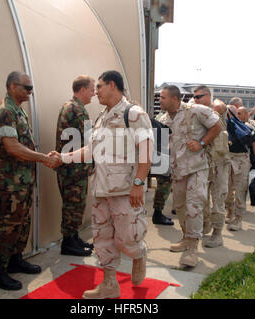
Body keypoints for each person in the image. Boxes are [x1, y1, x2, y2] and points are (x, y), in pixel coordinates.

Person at [52, 70, 154, 299]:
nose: (95, 92)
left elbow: (147, 151)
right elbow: (90, 150)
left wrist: (139, 183)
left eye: (98, 87)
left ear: (112, 85)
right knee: (102, 237)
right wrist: (63, 157)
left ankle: (139, 254)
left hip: (125, 189)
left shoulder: (134, 114)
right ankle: (109, 284)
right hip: (100, 187)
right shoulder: (101, 117)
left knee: (126, 238)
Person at [0, 71, 60, 291]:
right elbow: (12, 147)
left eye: (31, 88)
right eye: (26, 88)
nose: (31, 92)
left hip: (22, 180)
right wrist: (43, 158)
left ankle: (14, 259)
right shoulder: (4, 111)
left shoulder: (17, 110)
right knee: (8, 224)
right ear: (11, 87)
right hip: (9, 182)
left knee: (21, 222)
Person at [159, 85, 221, 267]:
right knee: (179, 206)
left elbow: (217, 126)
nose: (160, 100)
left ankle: (193, 249)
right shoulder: (164, 119)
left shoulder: (195, 111)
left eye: (163, 97)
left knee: (194, 206)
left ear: (174, 99)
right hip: (178, 171)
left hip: (196, 168)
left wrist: (202, 142)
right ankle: (186, 238)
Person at [55, 75, 95, 256]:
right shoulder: (76, 110)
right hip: (74, 169)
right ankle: (69, 243)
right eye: (92, 90)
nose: (94, 94)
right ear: (83, 90)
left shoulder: (72, 107)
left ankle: (73, 238)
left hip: (73, 167)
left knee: (75, 205)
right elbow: (90, 141)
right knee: (73, 205)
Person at [225, 107, 255, 231]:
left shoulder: (246, 128)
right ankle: (230, 212)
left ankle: (238, 219)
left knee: (240, 190)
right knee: (226, 190)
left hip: (241, 160)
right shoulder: (223, 127)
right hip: (227, 160)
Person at [202, 99, 230, 248]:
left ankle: (217, 234)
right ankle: (205, 225)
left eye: (200, 97)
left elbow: (220, 106)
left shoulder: (218, 116)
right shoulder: (198, 117)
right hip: (205, 164)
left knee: (218, 199)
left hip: (220, 164)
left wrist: (212, 108)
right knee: (202, 198)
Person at [151, 112, 174, 226]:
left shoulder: (157, 119)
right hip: (153, 157)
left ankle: (158, 212)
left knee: (166, 178)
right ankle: (158, 212)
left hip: (151, 156)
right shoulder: (152, 120)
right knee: (166, 179)